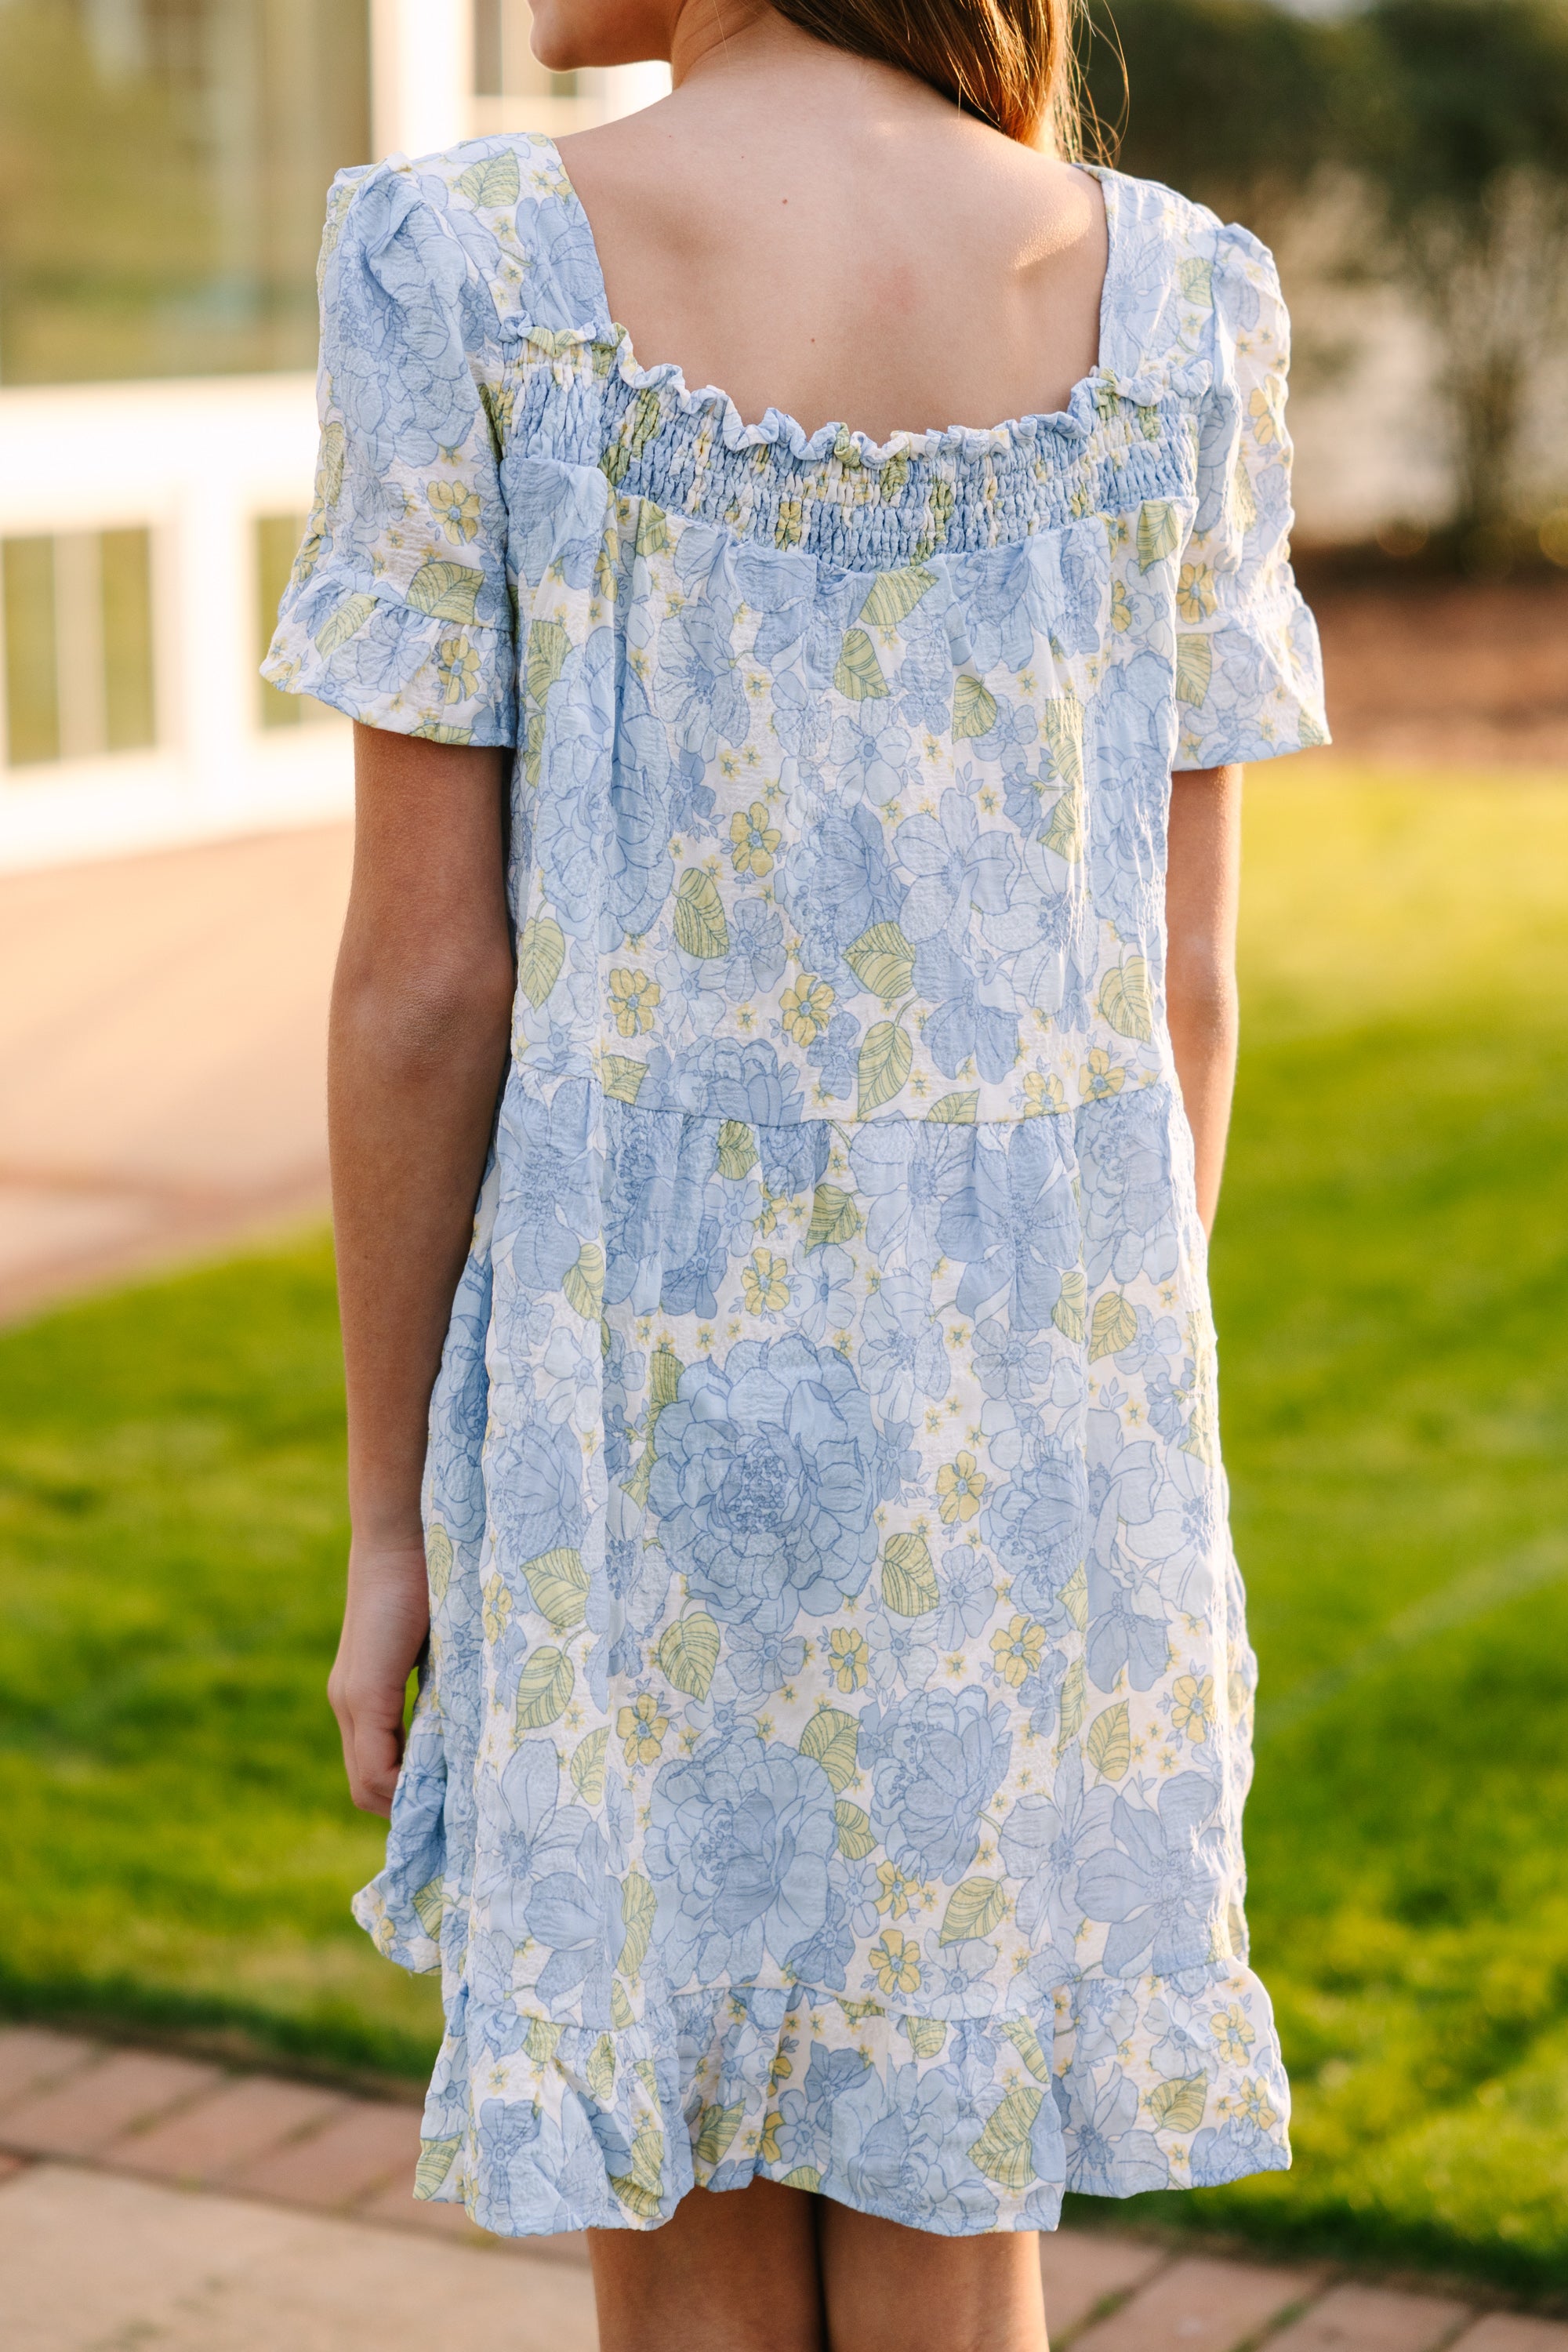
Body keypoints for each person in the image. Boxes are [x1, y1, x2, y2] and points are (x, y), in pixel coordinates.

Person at [263, 0, 1327, 2342]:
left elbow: (427, 989)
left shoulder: (474, 260)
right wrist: (1095, 1451)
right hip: (1029, 1436)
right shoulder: (1176, 293)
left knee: (692, 2227)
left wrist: (385, 1517)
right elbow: (1184, 994)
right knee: (964, 2228)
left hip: (634, 1423)